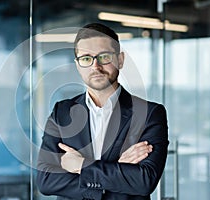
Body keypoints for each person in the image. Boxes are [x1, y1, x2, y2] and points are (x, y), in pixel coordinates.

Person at [36, 23, 169, 200]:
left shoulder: (150, 113)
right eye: (86, 58)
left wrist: (81, 165)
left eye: (104, 57)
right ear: (77, 65)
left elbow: (144, 181)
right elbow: (46, 180)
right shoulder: (62, 112)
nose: (95, 66)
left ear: (120, 60)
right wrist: (116, 170)